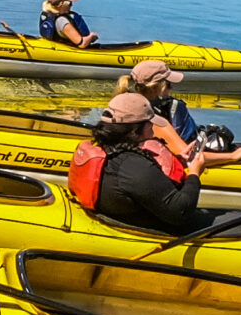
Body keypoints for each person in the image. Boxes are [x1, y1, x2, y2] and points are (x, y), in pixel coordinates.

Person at [67, 92, 220, 237]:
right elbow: (180, 212)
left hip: (122, 216)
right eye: (150, 124)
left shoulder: (104, 148)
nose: (154, 128)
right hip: (164, 230)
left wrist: (178, 159)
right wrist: (194, 174)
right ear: (134, 131)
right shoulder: (133, 167)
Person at [116, 60, 241, 173]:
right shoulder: (156, 122)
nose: (172, 88)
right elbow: (189, 158)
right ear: (154, 88)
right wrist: (232, 156)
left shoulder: (120, 107)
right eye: (168, 85)